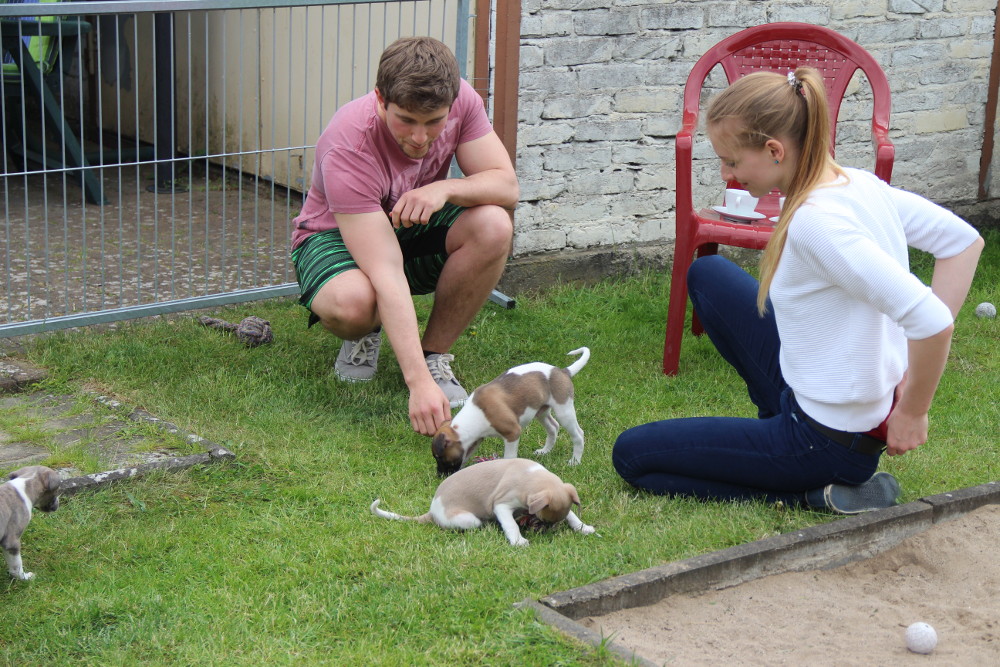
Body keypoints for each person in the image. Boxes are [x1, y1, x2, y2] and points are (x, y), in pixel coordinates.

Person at [613, 68, 984, 514]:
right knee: (708, 274)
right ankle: (770, 431)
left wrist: (912, 409)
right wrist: (903, 364)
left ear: (774, 150)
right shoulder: (854, 181)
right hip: (810, 391)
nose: (726, 173)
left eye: (732, 162)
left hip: (823, 442)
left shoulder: (816, 224)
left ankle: (805, 491)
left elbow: (932, 321)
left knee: (632, 457)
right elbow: (963, 241)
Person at [290, 37, 518, 436]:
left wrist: (444, 188)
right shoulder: (349, 143)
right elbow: (386, 268)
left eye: (434, 122)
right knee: (355, 303)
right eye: (407, 120)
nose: (420, 137)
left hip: (407, 222)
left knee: (494, 224)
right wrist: (418, 385)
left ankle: (433, 354)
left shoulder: (462, 99)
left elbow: (507, 186)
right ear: (381, 99)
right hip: (332, 236)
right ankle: (367, 333)